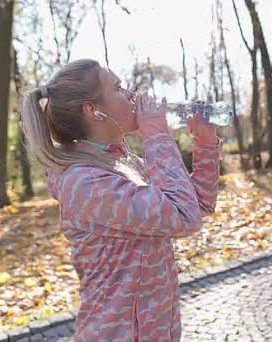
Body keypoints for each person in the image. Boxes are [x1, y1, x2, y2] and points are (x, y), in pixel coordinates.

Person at [19, 58, 221, 341]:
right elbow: (184, 218)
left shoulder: (126, 164)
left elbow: (198, 206)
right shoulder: (84, 183)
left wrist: (206, 144)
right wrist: (157, 134)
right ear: (93, 110)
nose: (132, 96)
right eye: (118, 87)